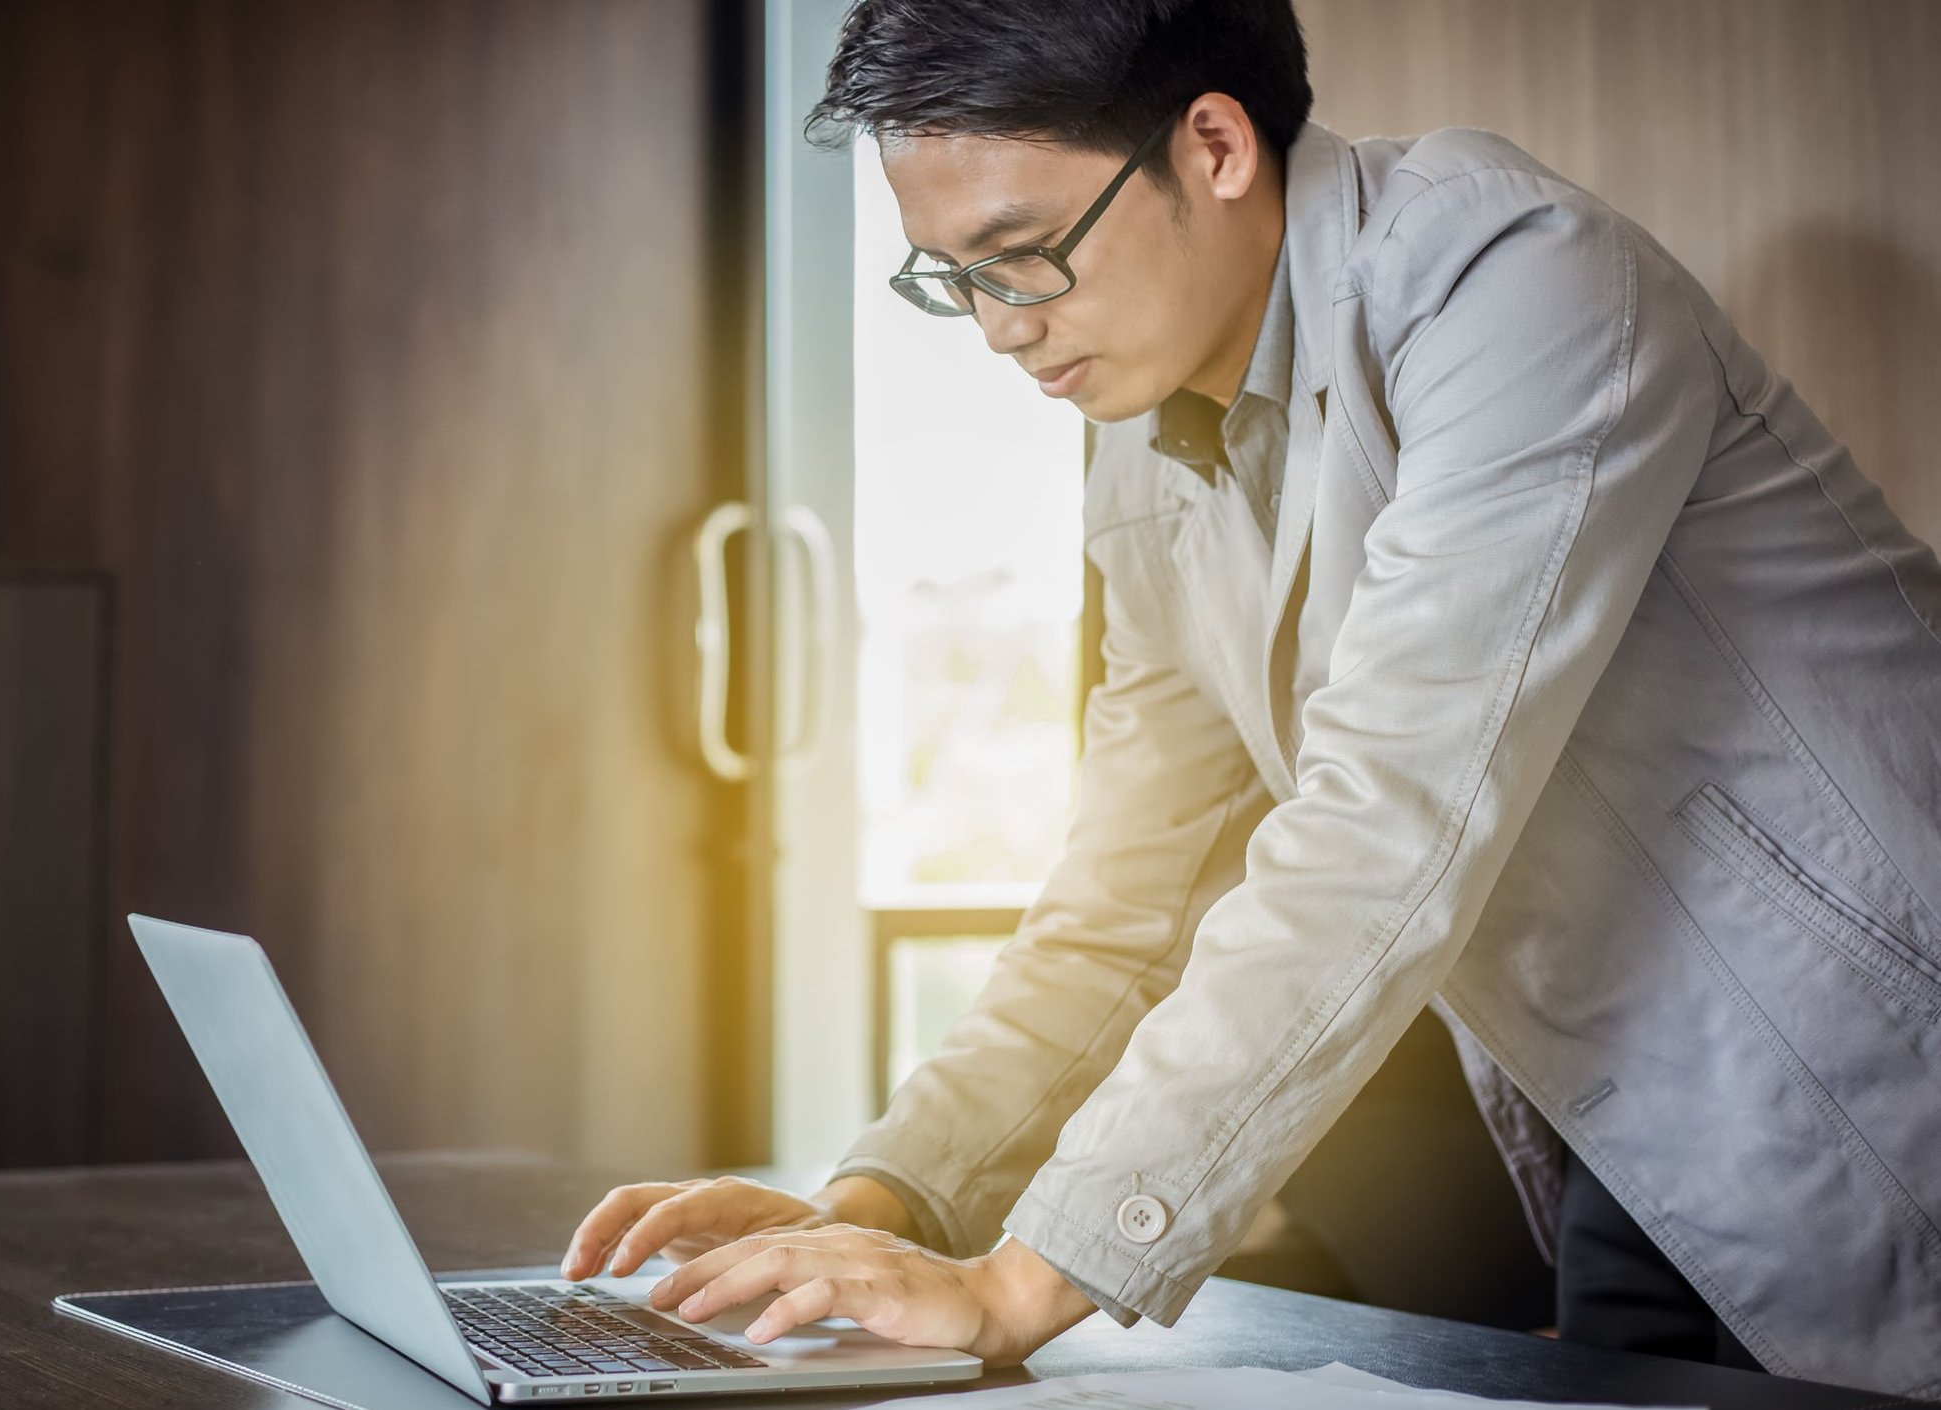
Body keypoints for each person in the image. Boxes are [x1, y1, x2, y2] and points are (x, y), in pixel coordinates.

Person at [560, 0, 1941, 1395]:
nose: (993, 330)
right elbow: (1124, 905)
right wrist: (883, 1201)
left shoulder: (1512, 281)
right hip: (1626, 1130)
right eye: (948, 278)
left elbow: (1383, 821)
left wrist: (1021, 1280)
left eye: (1022, 256)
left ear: (1214, 144)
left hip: (1873, 1080)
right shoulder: (1145, 445)